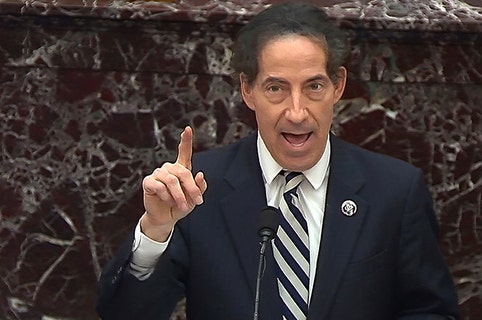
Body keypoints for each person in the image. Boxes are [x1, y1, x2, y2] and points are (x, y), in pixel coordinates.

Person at [96, 2, 460, 319]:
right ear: (247, 90)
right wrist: (156, 231)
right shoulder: (197, 191)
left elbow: (431, 311)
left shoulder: (394, 190)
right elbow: (124, 314)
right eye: (276, 88)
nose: (297, 112)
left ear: (338, 87)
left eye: (314, 87)